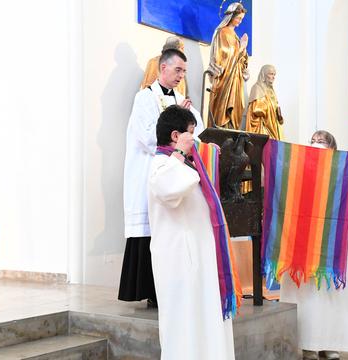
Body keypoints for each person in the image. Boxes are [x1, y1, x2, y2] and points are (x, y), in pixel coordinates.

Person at [279, 130, 348, 360]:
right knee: (306, 293)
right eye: (313, 141)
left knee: (331, 294)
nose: (316, 144)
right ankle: (307, 344)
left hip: (335, 244)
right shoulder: (301, 169)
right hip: (305, 242)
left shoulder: (345, 170)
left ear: (332, 148)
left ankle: (330, 344)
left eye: (322, 142)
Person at [148, 105, 235, 359]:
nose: (196, 140)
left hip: (200, 260)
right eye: (191, 133)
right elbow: (164, 188)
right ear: (176, 136)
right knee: (185, 327)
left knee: (205, 326)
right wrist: (179, 153)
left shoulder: (183, 163)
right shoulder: (160, 163)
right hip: (180, 262)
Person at [119, 48, 204, 307]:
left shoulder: (182, 100)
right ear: (162, 68)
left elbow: (197, 134)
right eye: (177, 70)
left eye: (184, 72)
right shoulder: (144, 98)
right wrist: (173, 117)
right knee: (150, 232)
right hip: (150, 172)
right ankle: (151, 292)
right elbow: (146, 137)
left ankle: (173, 289)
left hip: (177, 175)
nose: (181, 76)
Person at [206, 2, 249, 129]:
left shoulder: (235, 36)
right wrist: (241, 48)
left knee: (237, 107)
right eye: (238, 18)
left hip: (236, 80)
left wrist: (243, 51)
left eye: (242, 19)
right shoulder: (223, 32)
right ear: (231, 16)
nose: (240, 22)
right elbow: (223, 56)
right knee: (223, 111)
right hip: (225, 79)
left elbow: (241, 60)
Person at [245, 64, 283, 139]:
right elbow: (256, 109)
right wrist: (269, 108)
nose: (273, 77)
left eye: (274, 75)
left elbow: (274, 108)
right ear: (263, 74)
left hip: (273, 127)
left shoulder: (271, 91)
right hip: (262, 128)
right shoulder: (257, 88)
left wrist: (279, 115)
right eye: (271, 74)